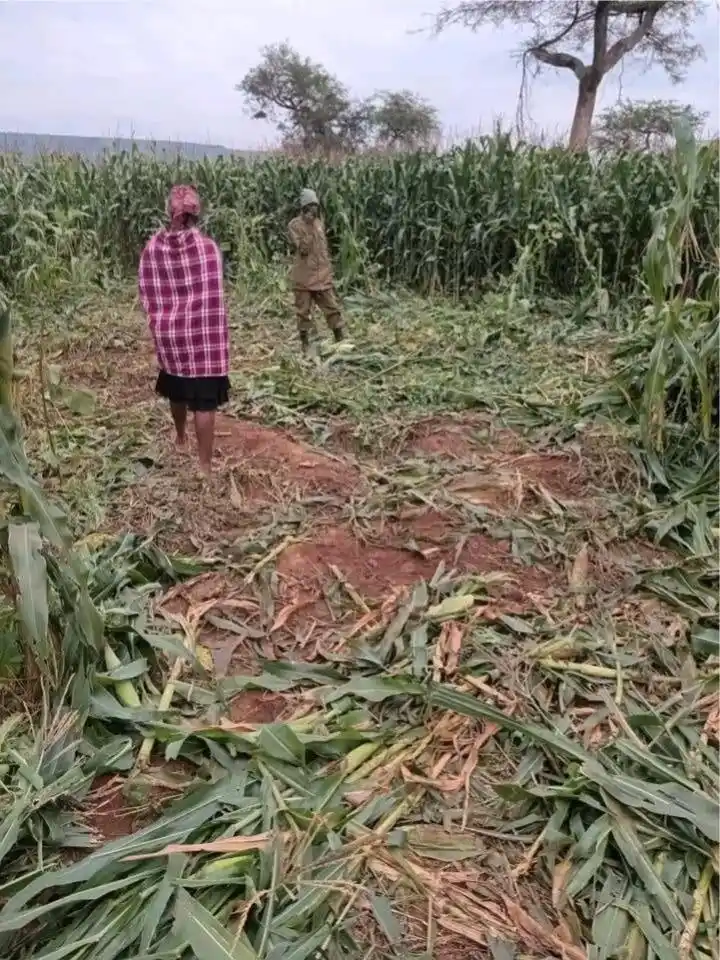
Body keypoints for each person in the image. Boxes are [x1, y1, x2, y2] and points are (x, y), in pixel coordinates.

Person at [138, 185, 230, 477]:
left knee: (176, 388)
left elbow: (146, 291)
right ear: (196, 212)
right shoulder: (208, 248)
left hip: (171, 334)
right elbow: (215, 292)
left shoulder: (153, 249)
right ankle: (204, 467)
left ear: (171, 212)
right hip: (204, 336)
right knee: (204, 401)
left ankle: (180, 438)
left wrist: (159, 320)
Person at [288, 188, 345, 352]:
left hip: (322, 275)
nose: (314, 211)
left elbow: (323, 249)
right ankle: (305, 343)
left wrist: (329, 270)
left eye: (316, 206)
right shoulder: (294, 225)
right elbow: (302, 250)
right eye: (311, 206)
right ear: (304, 208)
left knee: (331, 307)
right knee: (303, 312)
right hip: (304, 277)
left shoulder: (319, 223)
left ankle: (339, 337)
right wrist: (308, 229)